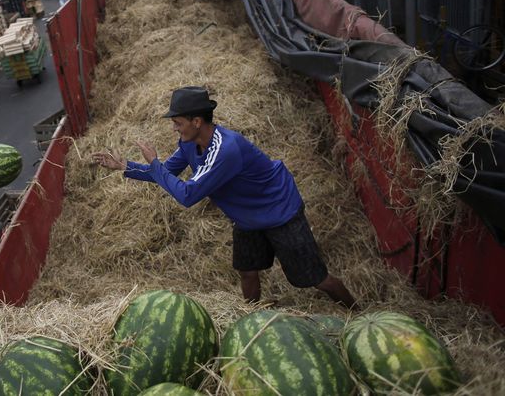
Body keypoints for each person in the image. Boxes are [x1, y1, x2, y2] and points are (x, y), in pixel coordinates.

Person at [92, 86, 357, 309]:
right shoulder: (189, 143)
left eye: (178, 122)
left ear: (197, 122)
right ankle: (249, 318)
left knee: (315, 278)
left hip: (278, 212)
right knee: (247, 270)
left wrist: (154, 163)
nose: (174, 128)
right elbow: (164, 174)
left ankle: (356, 314)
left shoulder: (226, 150)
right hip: (246, 217)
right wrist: (125, 166)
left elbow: (187, 195)